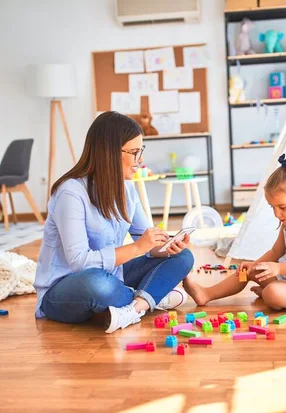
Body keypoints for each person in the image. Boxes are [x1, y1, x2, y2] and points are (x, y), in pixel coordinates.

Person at [34, 111, 194, 333]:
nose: (141, 160)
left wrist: (164, 248)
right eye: (135, 152)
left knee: (183, 257)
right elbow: (79, 262)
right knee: (99, 284)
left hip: (114, 276)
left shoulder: (127, 189)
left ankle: (135, 307)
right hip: (65, 290)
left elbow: (146, 244)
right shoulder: (71, 193)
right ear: (110, 152)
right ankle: (152, 296)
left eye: (141, 151)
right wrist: (138, 247)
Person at [184, 154, 286, 310]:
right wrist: (255, 265)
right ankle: (207, 293)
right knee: (248, 270)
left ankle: (272, 294)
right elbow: (276, 251)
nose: (277, 214)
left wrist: (277, 268)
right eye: (273, 207)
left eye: (282, 207)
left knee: (272, 293)